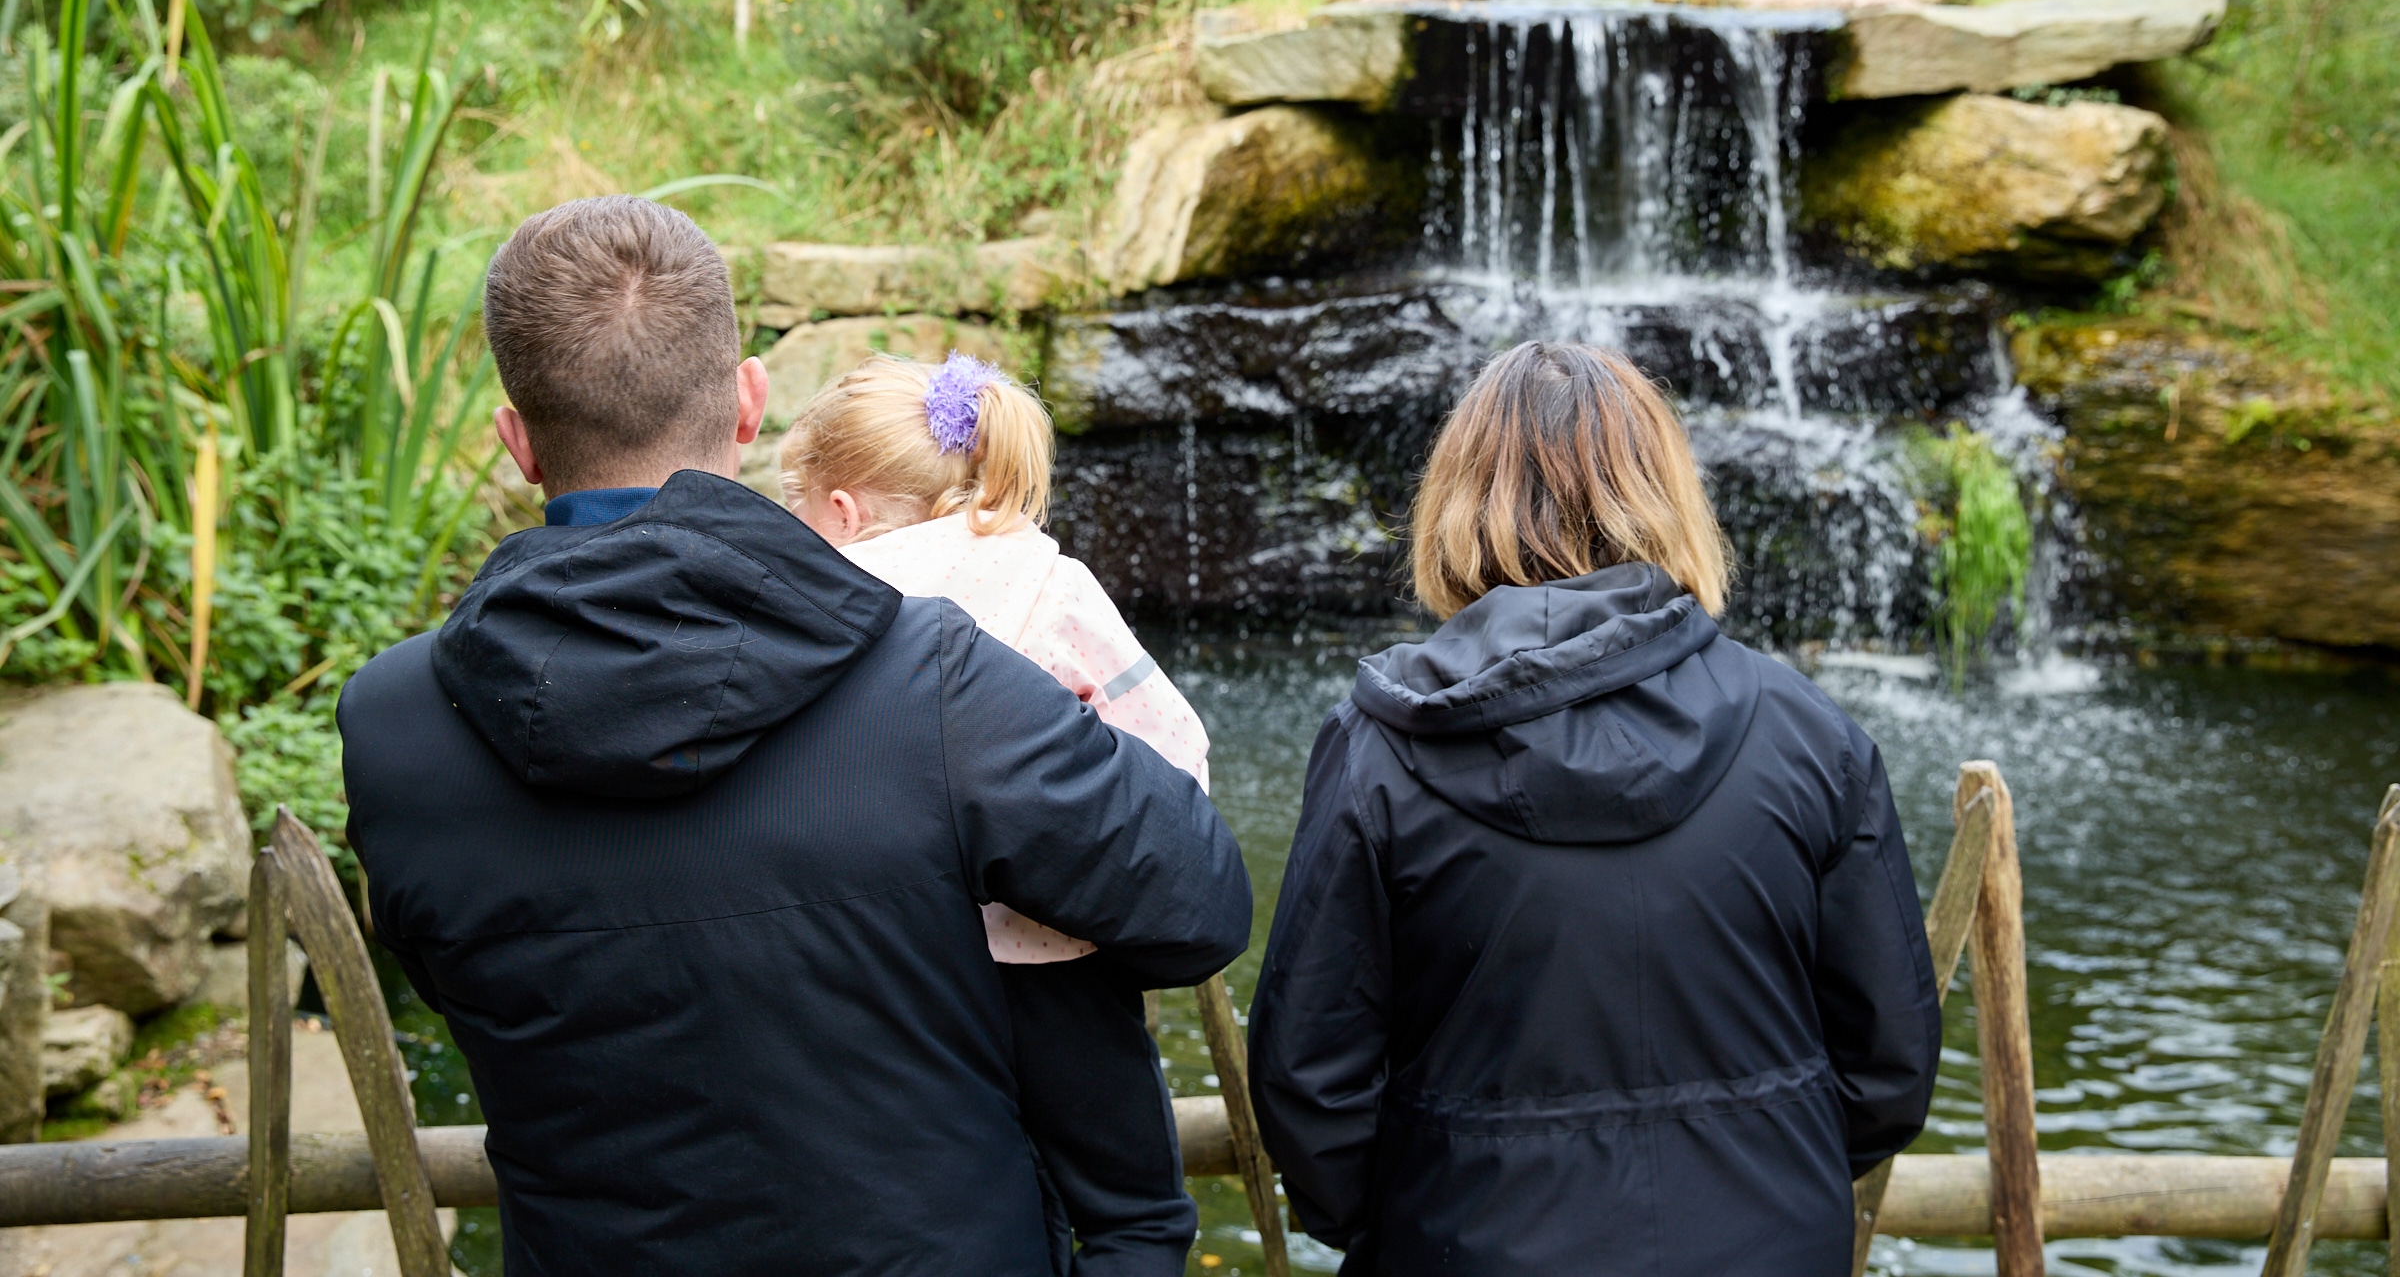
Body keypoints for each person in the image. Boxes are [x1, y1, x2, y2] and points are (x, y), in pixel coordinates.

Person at [338, 197, 1252, 1277]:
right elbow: (1201, 907)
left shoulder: (393, 727)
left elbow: (466, 978)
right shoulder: (938, 681)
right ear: (747, 403)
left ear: (518, 438)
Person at [1246, 340, 1941, 1276]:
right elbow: (1889, 1066)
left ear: (1457, 497)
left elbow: (1309, 1079)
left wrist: (1415, 1218)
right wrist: (1770, 1183)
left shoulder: (1380, 751)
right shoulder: (1811, 734)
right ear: (1666, 494)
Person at [779, 351, 1212, 1277]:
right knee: (1136, 1215)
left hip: (896, 978)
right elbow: (1176, 755)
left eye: (799, 507)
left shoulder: (814, 613)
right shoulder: (1046, 583)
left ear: (844, 510)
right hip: (1055, 967)